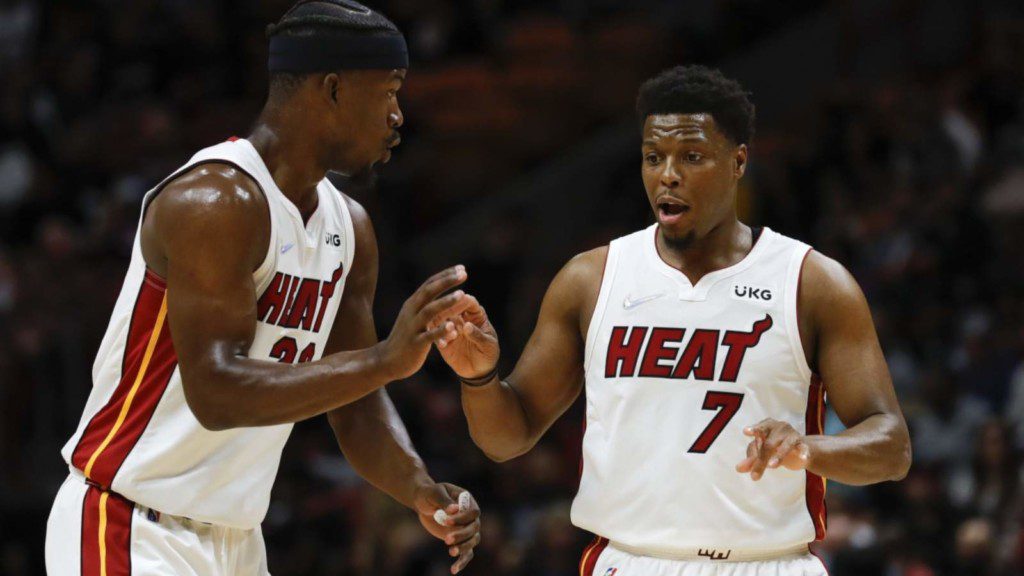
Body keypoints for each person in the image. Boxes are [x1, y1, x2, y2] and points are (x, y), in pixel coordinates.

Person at [44, 1, 481, 574]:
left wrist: (421, 490)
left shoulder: (350, 227)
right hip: (128, 522)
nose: (399, 114)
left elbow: (356, 403)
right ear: (332, 89)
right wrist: (385, 361)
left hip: (237, 541)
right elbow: (216, 392)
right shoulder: (215, 202)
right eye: (390, 90)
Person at [433, 65, 912, 576]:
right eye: (653, 157)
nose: (668, 174)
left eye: (692, 157)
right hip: (631, 561)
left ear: (738, 162)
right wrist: (479, 377)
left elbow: (891, 447)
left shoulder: (811, 282)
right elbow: (508, 438)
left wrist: (808, 449)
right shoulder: (591, 280)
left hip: (768, 563)